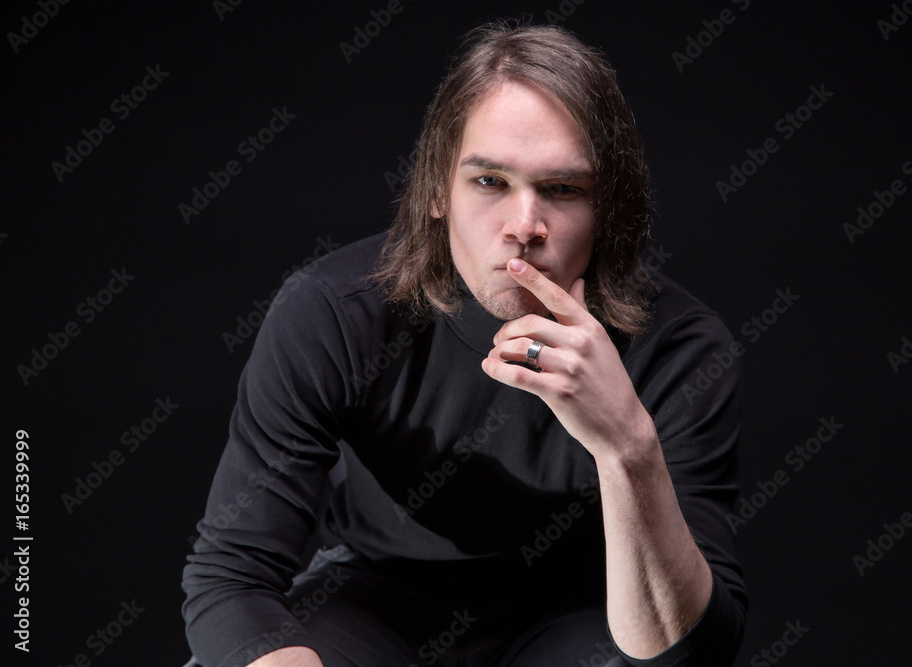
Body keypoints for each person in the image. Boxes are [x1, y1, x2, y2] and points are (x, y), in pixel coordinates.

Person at [182, 21, 747, 667]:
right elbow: (230, 575)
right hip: (378, 594)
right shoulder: (335, 312)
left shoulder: (680, 347)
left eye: (563, 189)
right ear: (435, 193)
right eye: (489, 181)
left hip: (588, 610)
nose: (524, 227)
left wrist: (627, 445)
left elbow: (695, 651)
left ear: (608, 209)